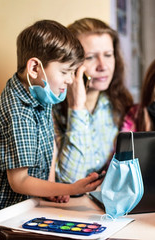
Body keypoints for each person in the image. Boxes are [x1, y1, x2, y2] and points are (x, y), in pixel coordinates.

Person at [0, 20, 103, 239]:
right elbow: (19, 182)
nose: (70, 80)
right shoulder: (16, 112)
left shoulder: (40, 94)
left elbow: (50, 147)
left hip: (23, 211)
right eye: (66, 72)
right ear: (35, 68)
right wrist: (70, 189)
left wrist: (51, 188)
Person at [53, 18, 133, 184]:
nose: (103, 66)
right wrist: (77, 108)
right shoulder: (51, 109)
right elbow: (69, 181)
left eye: (108, 55)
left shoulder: (120, 103)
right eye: (90, 57)